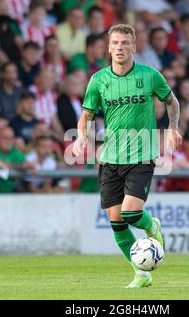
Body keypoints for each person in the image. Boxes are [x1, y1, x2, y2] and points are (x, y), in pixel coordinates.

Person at [72, 24, 182, 288]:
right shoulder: (98, 80)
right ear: (108, 47)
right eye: (115, 43)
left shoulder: (150, 75)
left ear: (134, 46)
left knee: (131, 214)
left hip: (141, 154)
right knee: (117, 223)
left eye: (125, 43)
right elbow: (86, 116)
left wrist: (173, 128)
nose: (120, 48)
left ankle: (151, 225)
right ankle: (142, 274)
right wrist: (80, 138)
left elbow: (172, 102)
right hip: (110, 158)